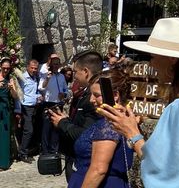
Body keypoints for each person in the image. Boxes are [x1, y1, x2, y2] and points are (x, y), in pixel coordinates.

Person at [99, 17, 179, 187]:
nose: (152, 63)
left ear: (172, 59)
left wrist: (131, 133)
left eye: (153, 56)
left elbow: (167, 173)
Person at [68, 66, 133, 188]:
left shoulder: (108, 125)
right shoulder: (125, 121)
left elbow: (98, 169)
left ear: (114, 95)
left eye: (96, 95)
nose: (91, 100)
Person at [49, 50, 103, 181]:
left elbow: (87, 133)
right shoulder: (84, 92)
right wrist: (66, 119)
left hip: (83, 162)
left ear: (85, 71)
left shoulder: (94, 99)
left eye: (75, 72)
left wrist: (63, 123)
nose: (74, 76)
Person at [40, 55, 68, 154]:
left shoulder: (61, 76)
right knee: (46, 129)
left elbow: (66, 90)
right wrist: (47, 79)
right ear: (51, 64)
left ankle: (54, 150)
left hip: (58, 104)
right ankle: (45, 151)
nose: (55, 66)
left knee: (56, 129)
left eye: (57, 64)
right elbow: (41, 88)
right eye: (54, 64)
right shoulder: (46, 75)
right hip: (48, 104)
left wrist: (64, 94)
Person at [18, 59, 41, 163]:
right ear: (27, 67)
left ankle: (27, 151)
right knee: (29, 130)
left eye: (35, 68)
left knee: (32, 130)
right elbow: (19, 93)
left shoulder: (36, 78)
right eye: (32, 68)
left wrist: (39, 96)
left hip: (34, 106)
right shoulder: (23, 78)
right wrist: (17, 110)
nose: (33, 70)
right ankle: (22, 153)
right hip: (25, 107)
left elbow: (33, 92)